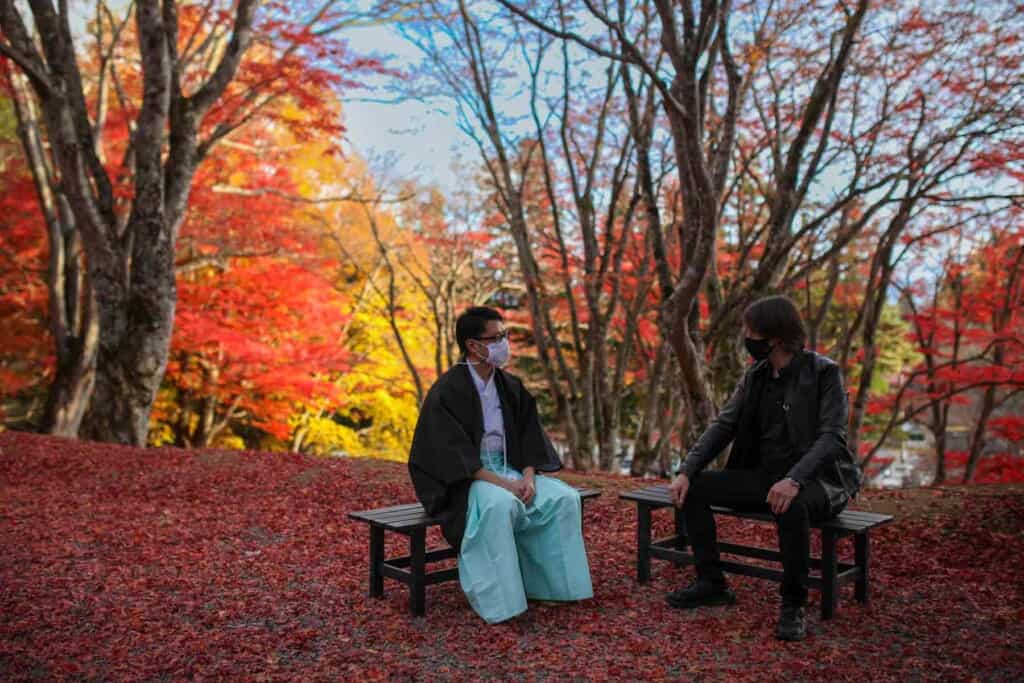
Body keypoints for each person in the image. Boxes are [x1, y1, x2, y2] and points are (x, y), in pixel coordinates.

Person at [667, 295, 860, 641]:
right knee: (695, 488)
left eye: (751, 332)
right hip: (764, 477)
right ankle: (711, 582)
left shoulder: (824, 373)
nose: (746, 339)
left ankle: (793, 604)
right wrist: (686, 470)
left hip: (818, 482)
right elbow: (724, 425)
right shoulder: (756, 375)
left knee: (792, 506)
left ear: (775, 337)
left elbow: (832, 436)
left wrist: (794, 479)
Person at [408, 306, 593, 623]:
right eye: (495, 338)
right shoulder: (446, 392)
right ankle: (502, 602)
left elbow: (530, 439)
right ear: (472, 345)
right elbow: (451, 455)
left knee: (563, 499)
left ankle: (552, 587)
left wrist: (528, 478)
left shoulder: (511, 386)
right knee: (498, 505)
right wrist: (507, 485)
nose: (503, 343)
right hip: (470, 481)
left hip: (513, 471)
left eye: (504, 336)